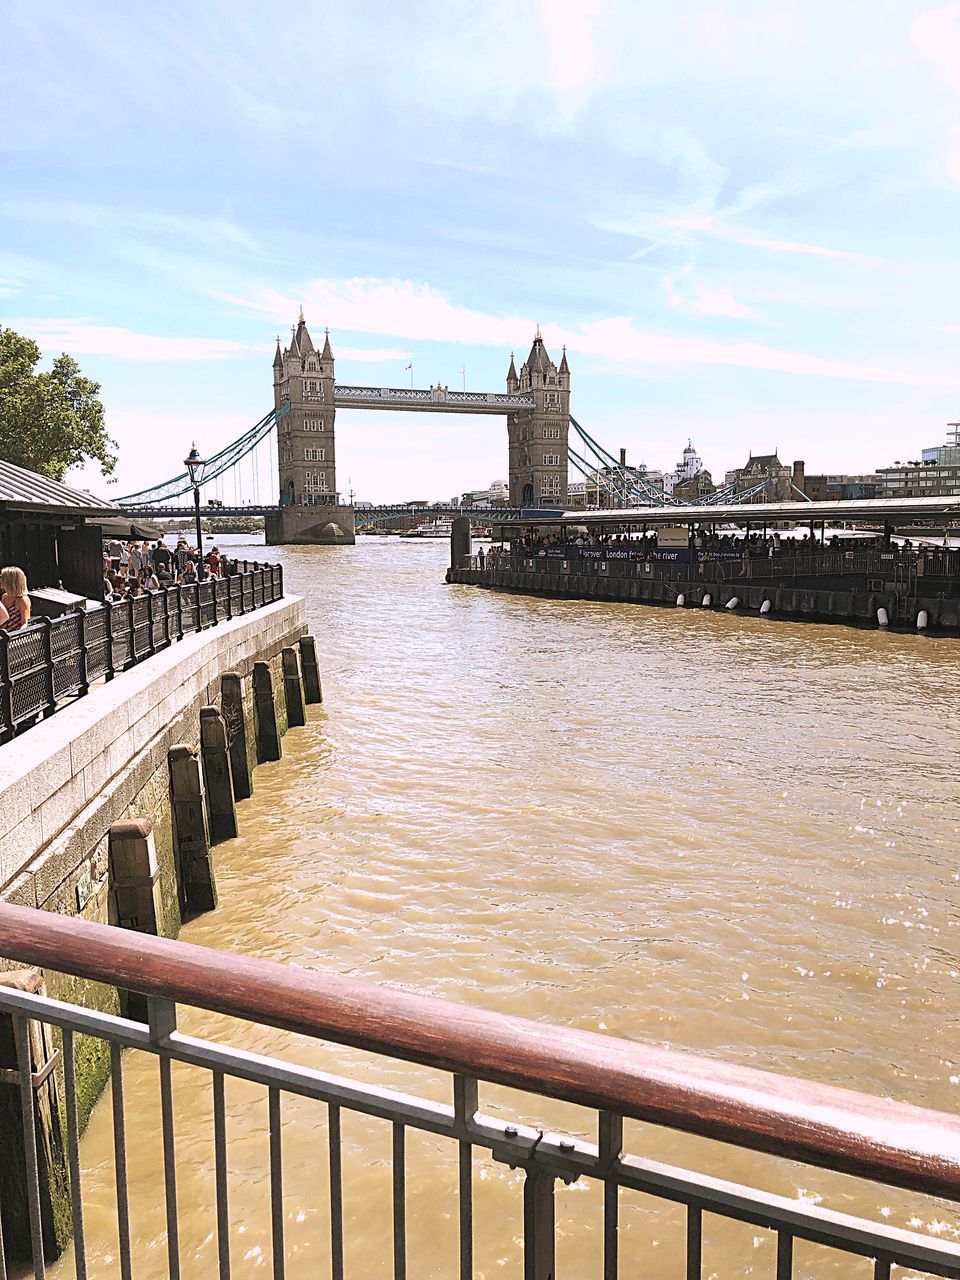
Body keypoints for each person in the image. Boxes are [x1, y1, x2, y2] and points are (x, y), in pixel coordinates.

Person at [1, 566, 31, 632]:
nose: (0, 580)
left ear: (10, 581)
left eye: (2, 578)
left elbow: (25, 623)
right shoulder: (4, 597)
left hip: (15, 637)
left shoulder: (23, 600)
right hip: (3, 634)